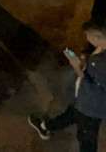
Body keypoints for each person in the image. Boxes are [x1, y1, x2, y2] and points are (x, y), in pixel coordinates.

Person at [29, 20, 106, 148]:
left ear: (97, 37)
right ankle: (46, 126)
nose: (87, 38)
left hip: (91, 107)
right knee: (71, 114)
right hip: (85, 101)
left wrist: (76, 65)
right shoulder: (101, 50)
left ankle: (47, 127)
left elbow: (88, 81)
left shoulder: (100, 62)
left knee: (87, 139)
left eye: (88, 36)